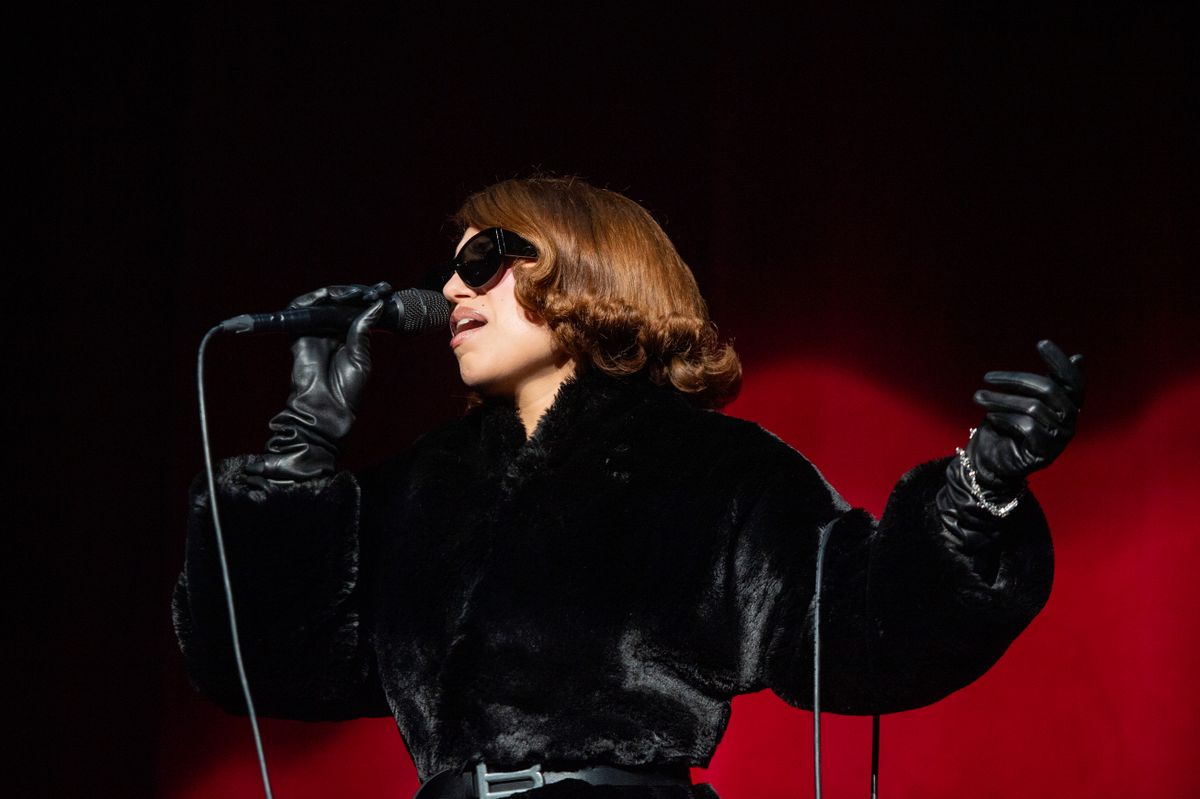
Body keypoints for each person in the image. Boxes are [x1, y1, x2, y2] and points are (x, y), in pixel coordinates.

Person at [172, 176, 1084, 799]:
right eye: (448, 266)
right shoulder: (419, 489)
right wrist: (299, 448)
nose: (451, 285)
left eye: (486, 256)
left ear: (584, 270)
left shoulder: (715, 471)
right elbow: (267, 666)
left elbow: (853, 626)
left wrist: (980, 488)